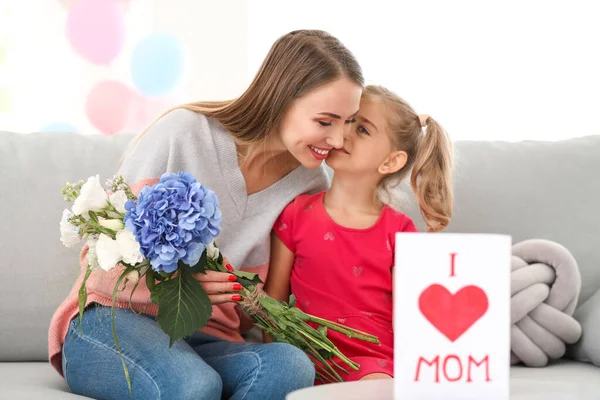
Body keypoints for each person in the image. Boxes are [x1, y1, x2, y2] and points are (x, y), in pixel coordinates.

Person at [48, 30, 364, 400]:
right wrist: (180, 286)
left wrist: (250, 301)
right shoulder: (184, 134)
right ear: (280, 100)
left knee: (290, 365)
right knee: (196, 385)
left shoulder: (310, 184)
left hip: (206, 340)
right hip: (114, 320)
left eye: (349, 122)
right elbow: (104, 259)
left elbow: (252, 309)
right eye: (326, 122)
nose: (339, 140)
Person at [264, 85, 453, 382]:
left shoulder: (400, 231)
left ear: (391, 161)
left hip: (373, 365)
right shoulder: (295, 214)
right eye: (348, 120)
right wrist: (279, 366)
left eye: (362, 129)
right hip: (304, 357)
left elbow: (412, 321)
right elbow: (273, 302)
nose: (345, 133)